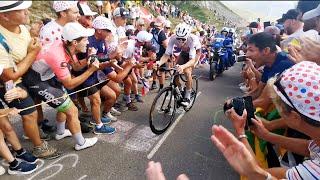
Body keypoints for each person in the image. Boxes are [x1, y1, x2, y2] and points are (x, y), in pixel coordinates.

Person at [226, 61, 320, 179]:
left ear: (295, 117)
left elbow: (257, 174)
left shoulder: (312, 172)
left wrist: (241, 133)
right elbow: (310, 148)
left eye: (277, 108)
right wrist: (266, 135)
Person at [24, 22, 99, 150]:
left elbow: (75, 66)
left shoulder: (67, 46)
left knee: (65, 102)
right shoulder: (58, 54)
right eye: (85, 39)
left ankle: (60, 132)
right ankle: (81, 143)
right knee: (72, 110)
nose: (88, 42)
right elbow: (69, 83)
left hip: (47, 76)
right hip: (36, 81)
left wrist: (90, 58)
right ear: (75, 42)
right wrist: (91, 70)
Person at [0, 1, 59, 159]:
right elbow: (9, 76)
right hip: (9, 83)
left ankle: (29, 133)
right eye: (21, 10)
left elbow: (24, 51)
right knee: (29, 114)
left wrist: (33, 37)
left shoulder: (22, 28)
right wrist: (33, 52)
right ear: (5, 15)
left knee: (34, 104)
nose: (27, 12)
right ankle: (38, 147)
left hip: (25, 74)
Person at [157, 23, 201, 107]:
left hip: (195, 54)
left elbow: (192, 60)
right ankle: (180, 90)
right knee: (175, 72)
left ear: (187, 36)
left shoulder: (192, 39)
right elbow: (166, 55)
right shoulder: (173, 38)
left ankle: (187, 95)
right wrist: (159, 63)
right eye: (179, 38)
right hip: (184, 52)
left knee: (187, 72)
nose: (180, 41)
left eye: (183, 39)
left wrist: (183, 66)